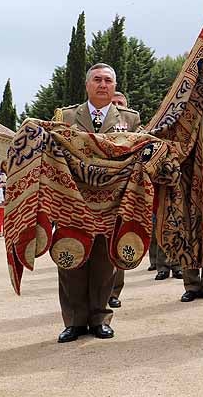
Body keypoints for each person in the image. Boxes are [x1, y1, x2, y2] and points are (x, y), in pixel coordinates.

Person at [53, 63, 141, 342]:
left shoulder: (130, 120)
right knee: (71, 261)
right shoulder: (65, 116)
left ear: (114, 87)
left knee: (105, 263)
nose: (103, 85)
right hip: (73, 201)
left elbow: (138, 157)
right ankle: (75, 321)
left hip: (111, 202)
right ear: (87, 84)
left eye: (108, 81)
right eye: (97, 80)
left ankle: (100, 317)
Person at [107, 92, 139, 309]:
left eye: (121, 103)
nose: (117, 105)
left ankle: (113, 292)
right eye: (114, 102)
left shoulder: (132, 121)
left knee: (118, 242)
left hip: (123, 191)